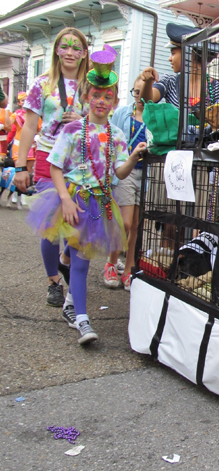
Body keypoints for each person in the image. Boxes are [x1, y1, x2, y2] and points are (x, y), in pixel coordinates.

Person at [26, 45, 147, 345]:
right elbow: (55, 167)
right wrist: (65, 200)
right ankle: (82, 320)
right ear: (85, 97)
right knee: (79, 261)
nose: (101, 101)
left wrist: (132, 157)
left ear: (115, 101)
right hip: (72, 200)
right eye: (96, 95)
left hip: (100, 205)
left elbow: (118, 173)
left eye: (107, 97)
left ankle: (72, 304)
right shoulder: (72, 131)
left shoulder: (117, 136)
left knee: (81, 259)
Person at [14, 28, 90, 307]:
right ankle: (54, 282)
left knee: (81, 221)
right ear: (57, 50)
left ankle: (66, 260)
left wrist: (82, 118)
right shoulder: (42, 84)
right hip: (48, 158)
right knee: (51, 226)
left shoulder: (91, 86)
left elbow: (101, 120)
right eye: (65, 46)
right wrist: (21, 166)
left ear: (84, 53)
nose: (70, 52)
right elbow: (29, 127)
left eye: (76, 47)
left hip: (81, 161)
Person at [105, 73, 147, 290]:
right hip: (125, 171)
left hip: (146, 174)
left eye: (144, 92)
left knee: (138, 226)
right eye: (136, 92)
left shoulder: (153, 114)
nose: (140, 97)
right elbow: (109, 137)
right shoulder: (122, 113)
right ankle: (111, 262)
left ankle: (129, 269)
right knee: (124, 222)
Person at [139, 22, 219, 108]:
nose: (169, 58)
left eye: (173, 53)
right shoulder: (169, 81)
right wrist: (148, 82)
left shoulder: (218, 89)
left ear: (190, 53)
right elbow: (146, 102)